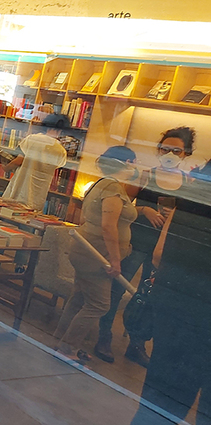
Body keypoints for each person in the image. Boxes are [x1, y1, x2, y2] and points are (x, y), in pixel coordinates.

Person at [105, 159, 211, 425]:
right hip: (200, 313)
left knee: (164, 389)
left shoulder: (193, 197)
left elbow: (161, 253)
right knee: (175, 395)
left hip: (174, 304)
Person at [96, 126, 196, 365]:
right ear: (159, 150)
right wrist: (144, 210)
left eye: (176, 151)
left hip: (165, 248)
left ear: (186, 154)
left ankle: (137, 342)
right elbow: (121, 205)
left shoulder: (188, 182)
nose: (170, 154)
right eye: (165, 149)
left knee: (148, 295)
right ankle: (104, 335)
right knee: (118, 288)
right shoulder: (144, 175)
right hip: (137, 241)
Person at [55, 146, 139, 363]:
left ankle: (62, 340)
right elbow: (108, 226)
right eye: (134, 163)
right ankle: (67, 347)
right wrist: (115, 259)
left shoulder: (103, 184)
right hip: (96, 256)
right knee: (99, 304)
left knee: (79, 297)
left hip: (87, 250)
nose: (135, 168)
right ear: (127, 162)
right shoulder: (112, 187)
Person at [3, 113, 70, 210]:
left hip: (21, 185)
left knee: (9, 212)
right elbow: (58, 165)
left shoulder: (32, 139)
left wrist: (6, 168)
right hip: (38, 193)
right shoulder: (60, 150)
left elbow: (19, 160)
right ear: (62, 130)